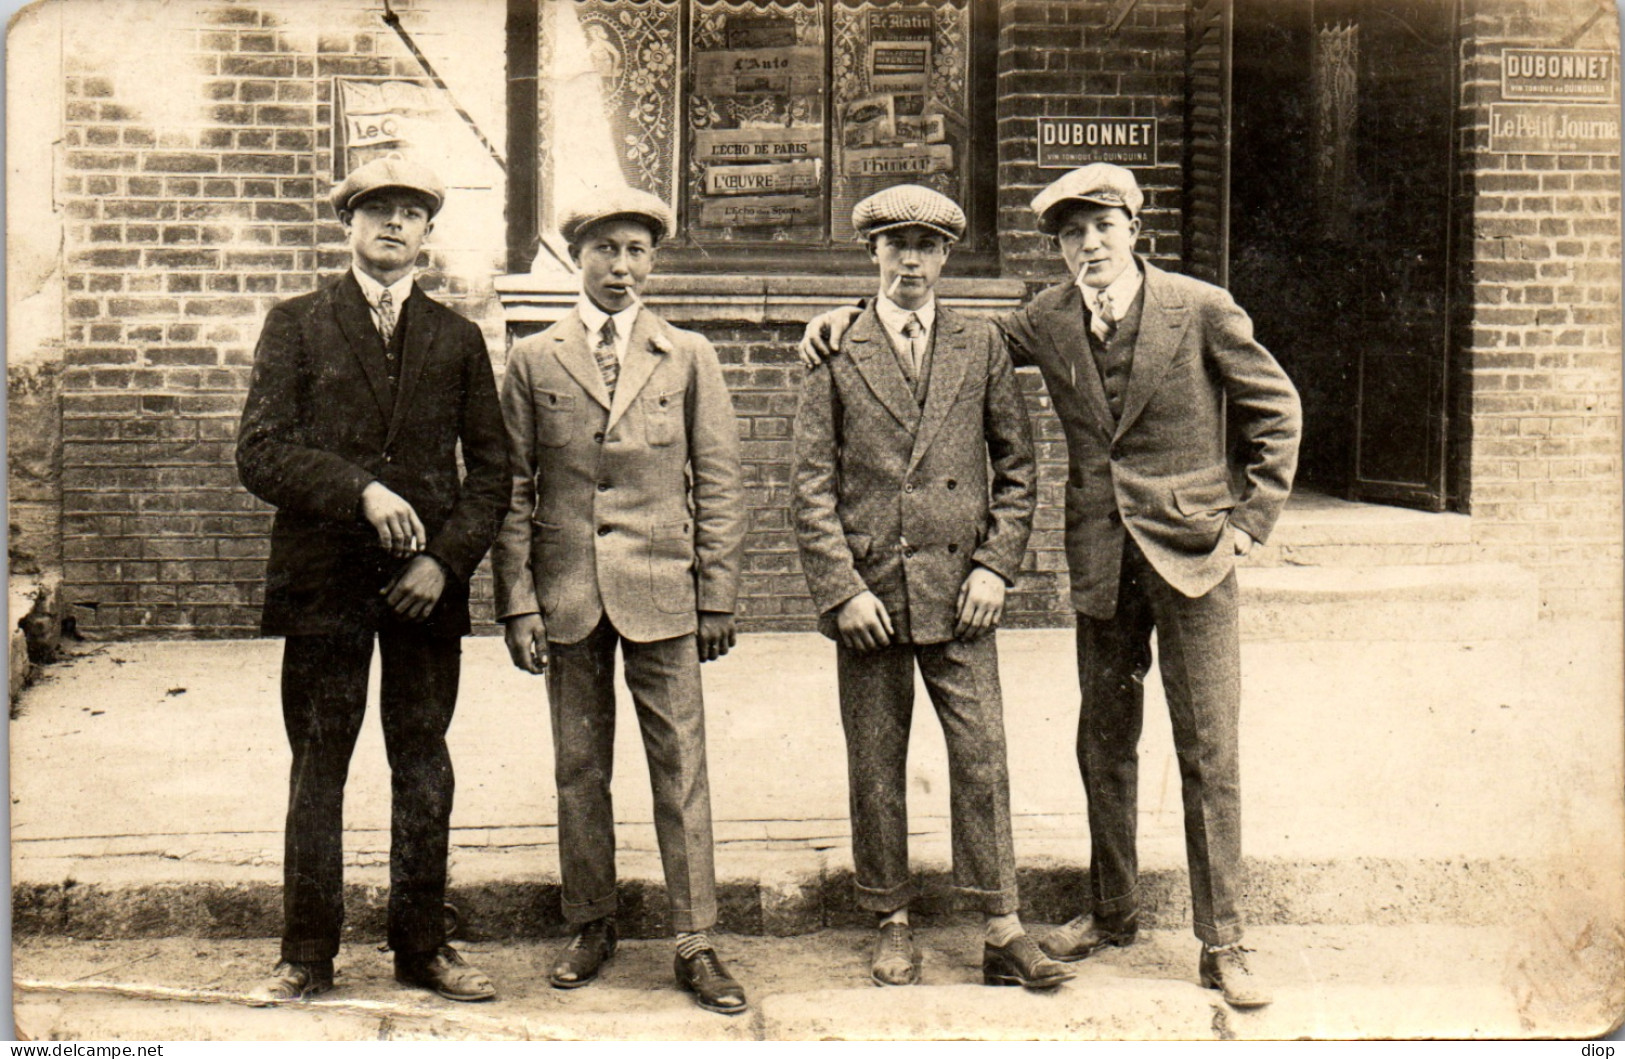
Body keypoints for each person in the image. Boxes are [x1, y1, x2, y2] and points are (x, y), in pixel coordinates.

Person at [800, 164, 1301, 1008]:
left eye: (1102, 227)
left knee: (1206, 748)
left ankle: (1225, 941)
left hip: (1194, 559)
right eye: (1070, 235)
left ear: (1134, 228)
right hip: (1102, 562)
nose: (1088, 246)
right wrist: (843, 317)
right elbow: (929, 321)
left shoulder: (1200, 307)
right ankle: (1110, 914)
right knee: (1102, 743)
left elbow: (1275, 410)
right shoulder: (1044, 318)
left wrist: (1249, 522)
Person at [237, 157, 508, 1004]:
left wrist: (444, 560)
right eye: (376, 210)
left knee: (422, 758)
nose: (393, 224)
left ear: (428, 233)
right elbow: (261, 451)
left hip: (426, 589)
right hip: (326, 582)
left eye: (411, 212)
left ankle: (422, 945)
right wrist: (361, 489)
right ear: (348, 224)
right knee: (319, 761)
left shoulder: (458, 338)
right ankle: (304, 953)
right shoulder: (297, 323)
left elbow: (495, 470)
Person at [792, 184, 1072, 991]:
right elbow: (810, 484)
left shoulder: (979, 345)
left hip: (960, 593)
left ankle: (1000, 925)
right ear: (871, 255)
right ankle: (890, 917)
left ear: (946, 256)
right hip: (872, 595)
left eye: (925, 246)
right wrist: (841, 589)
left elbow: (1018, 467)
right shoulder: (835, 348)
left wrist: (995, 567)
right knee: (877, 761)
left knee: (981, 756)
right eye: (894, 245)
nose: (909, 260)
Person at [489, 187, 749, 1015]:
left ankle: (695, 937)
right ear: (578, 256)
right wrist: (517, 602)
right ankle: (591, 921)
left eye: (638, 250)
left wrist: (717, 596)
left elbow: (720, 482)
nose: (623, 267)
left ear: (653, 260)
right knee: (578, 766)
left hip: (665, 591)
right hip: (568, 593)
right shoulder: (535, 358)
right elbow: (512, 486)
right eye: (606, 249)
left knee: (682, 769)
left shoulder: (687, 354)